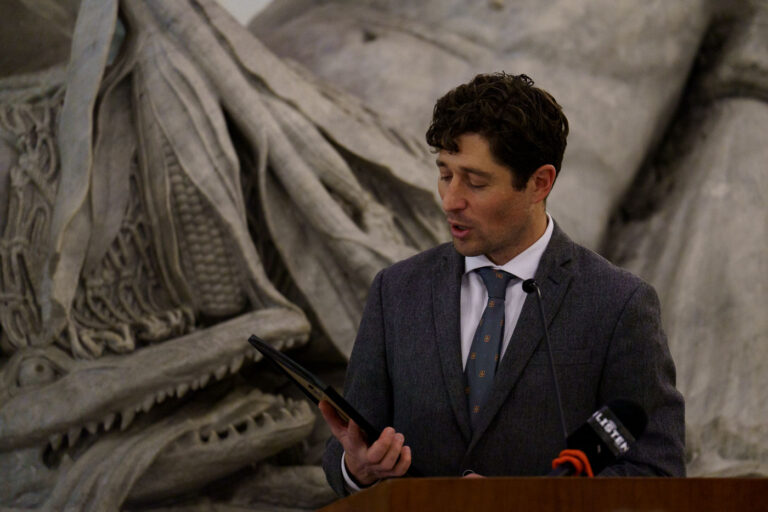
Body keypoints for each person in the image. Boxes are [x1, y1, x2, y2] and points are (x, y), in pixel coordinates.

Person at [320, 72, 685, 495]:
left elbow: (657, 474)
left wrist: (521, 501)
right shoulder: (395, 290)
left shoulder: (619, 304)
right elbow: (348, 447)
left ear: (539, 183)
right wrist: (356, 468)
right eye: (445, 174)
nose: (451, 200)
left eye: (476, 182)